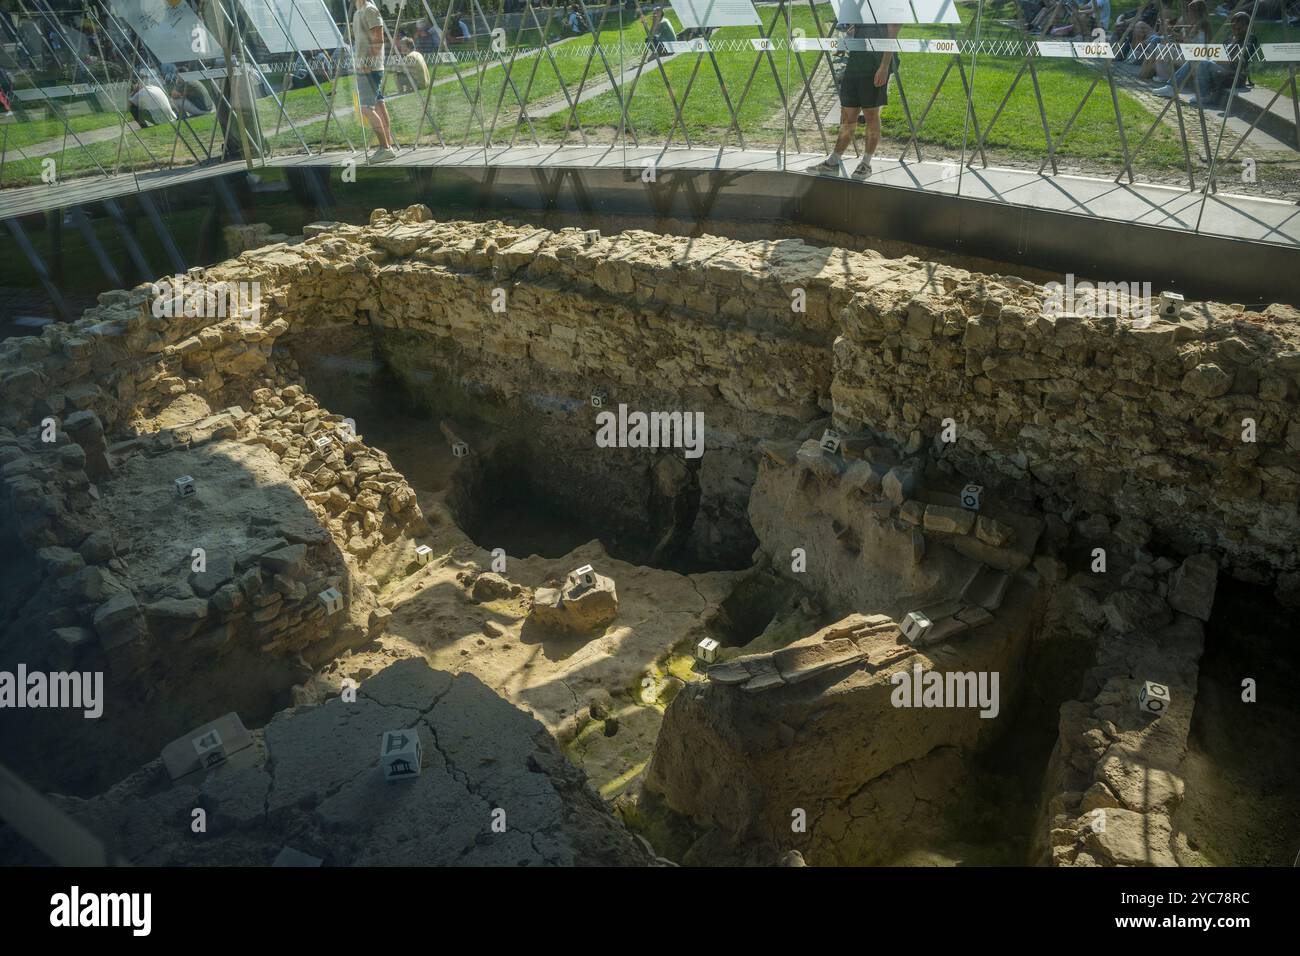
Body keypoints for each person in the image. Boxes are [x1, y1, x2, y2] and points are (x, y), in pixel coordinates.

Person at [814, 21, 896, 178]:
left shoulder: (888, 6)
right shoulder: (859, 6)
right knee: (848, 114)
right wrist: (845, 38)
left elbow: (892, 36)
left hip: (876, 63)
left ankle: (866, 163)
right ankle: (833, 161)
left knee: (871, 114)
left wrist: (884, 66)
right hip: (855, 62)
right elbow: (852, 29)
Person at [352, 0, 397, 162]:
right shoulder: (359, 12)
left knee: (366, 108)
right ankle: (387, 146)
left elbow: (378, 39)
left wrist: (368, 62)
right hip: (366, 66)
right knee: (378, 104)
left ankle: (385, 148)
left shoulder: (370, 10)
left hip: (369, 68)